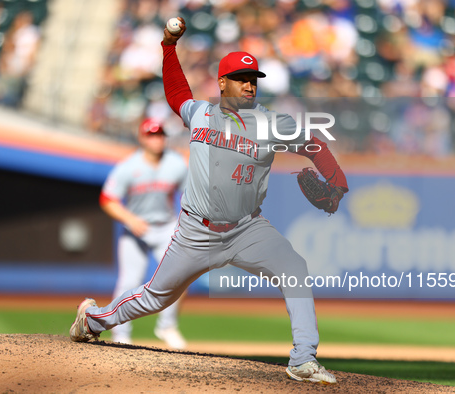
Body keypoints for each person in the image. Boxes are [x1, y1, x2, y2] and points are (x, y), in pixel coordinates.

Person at [70, 18, 348, 384]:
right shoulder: (200, 113)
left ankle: (303, 359)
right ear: (222, 82)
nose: (249, 85)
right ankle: (92, 320)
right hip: (195, 231)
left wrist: (337, 183)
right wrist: (168, 48)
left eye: (253, 79)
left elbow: (314, 144)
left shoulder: (271, 124)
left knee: (294, 269)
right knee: (155, 297)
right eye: (241, 78)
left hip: (248, 228)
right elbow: (175, 95)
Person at [99, 117, 188, 349]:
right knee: (129, 281)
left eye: (160, 135)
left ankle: (167, 326)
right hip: (136, 228)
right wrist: (129, 219)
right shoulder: (128, 167)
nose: (156, 139)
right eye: (151, 135)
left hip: (166, 226)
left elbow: (191, 194)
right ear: (141, 138)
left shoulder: (176, 164)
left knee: (179, 277)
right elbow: (107, 199)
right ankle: (121, 333)